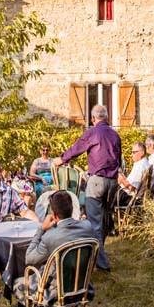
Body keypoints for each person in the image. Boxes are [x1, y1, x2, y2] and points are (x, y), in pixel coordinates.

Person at [53, 104, 121, 271]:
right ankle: (100, 254)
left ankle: (100, 263)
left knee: (95, 224)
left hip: (97, 181)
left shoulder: (92, 132)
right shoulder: (115, 135)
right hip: (113, 182)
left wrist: (60, 160)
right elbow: (119, 159)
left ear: (93, 119)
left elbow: (76, 149)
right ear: (107, 117)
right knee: (105, 220)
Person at [12, 190, 96, 307]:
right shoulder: (87, 226)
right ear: (72, 208)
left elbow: (29, 258)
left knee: (17, 284)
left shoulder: (50, 237)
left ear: (54, 215)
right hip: (82, 287)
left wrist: (41, 229)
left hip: (58, 291)